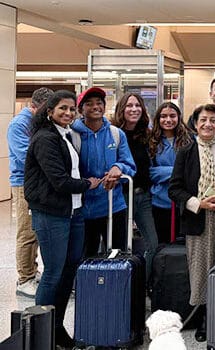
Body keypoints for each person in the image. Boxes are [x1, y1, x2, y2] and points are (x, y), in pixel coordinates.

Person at [24, 90, 102, 347]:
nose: (68, 113)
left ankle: (56, 329)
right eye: (63, 109)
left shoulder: (66, 136)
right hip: (51, 214)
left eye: (71, 109)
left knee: (69, 271)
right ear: (49, 111)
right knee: (53, 273)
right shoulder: (45, 138)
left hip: (73, 212)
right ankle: (39, 334)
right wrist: (87, 184)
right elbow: (59, 180)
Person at [169, 104, 215, 342]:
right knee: (200, 272)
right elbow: (175, 188)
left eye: (214, 120)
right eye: (203, 120)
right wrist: (198, 204)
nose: (208, 124)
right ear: (195, 124)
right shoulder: (186, 151)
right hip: (198, 219)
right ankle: (203, 319)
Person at [71, 87, 136, 258]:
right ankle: (84, 285)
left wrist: (118, 168)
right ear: (80, 109)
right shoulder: (73, 135)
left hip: (114, 206)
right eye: (89, 104)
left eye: (99, 103)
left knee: (116, 255)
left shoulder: (116, 134)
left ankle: (115, 286)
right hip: (84, 209)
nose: (95, 107)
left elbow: (129, 163)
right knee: (85, 256)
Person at [8, 87, 53, 298]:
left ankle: (32, 272)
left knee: (36, 230)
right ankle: (24, 278)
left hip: (39, 183)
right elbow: (27, 155)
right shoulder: (19, 124)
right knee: (26, 232)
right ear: (38, 106)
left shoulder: (38, 122)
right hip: (24, 184)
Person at [111, 92, 159, 277]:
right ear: (121, 109)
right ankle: (121, 285)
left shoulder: (146, 134)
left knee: (152, 244)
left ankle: (141, 284)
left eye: (138, 105)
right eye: (129, 105)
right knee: (120, 244)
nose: (134, 109)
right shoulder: (113, 133)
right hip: (120, 196)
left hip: (143, 196)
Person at [149, 102, 194, 243]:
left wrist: (166, 172)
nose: (168, 120)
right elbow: (150, 172)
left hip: (185, 202)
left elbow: (192, 169)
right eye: (163, 116)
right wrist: (177, 171)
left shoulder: (190, 139)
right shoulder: (151, 141)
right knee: (162, 244)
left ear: (179, 117)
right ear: (158, 118)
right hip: (160, 202)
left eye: (172, 116)